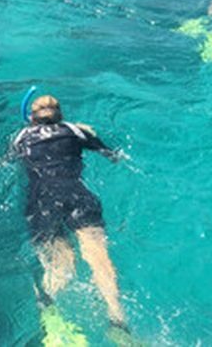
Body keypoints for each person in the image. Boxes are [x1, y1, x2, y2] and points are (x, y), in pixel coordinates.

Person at [12, 95, 136, 344]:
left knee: (61, 267)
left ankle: (49, 312)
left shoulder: (20, 138)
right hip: (78, 197)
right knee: (99, 259)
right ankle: (117, 320)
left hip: (43, 202)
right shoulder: (75, 131)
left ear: (32, 117)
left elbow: (8, 160)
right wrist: (84, 131)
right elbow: (112, 155)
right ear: (60, 115)